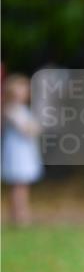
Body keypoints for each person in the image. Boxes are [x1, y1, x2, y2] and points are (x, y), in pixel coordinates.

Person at [1, 73, 43, 225]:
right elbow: (27, 129)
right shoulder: (12, 110)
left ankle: (19, 214)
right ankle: (19, 216)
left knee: (21, 186)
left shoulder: (22, 110)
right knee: (19, 187)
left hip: (24, 153)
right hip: (17, 154)